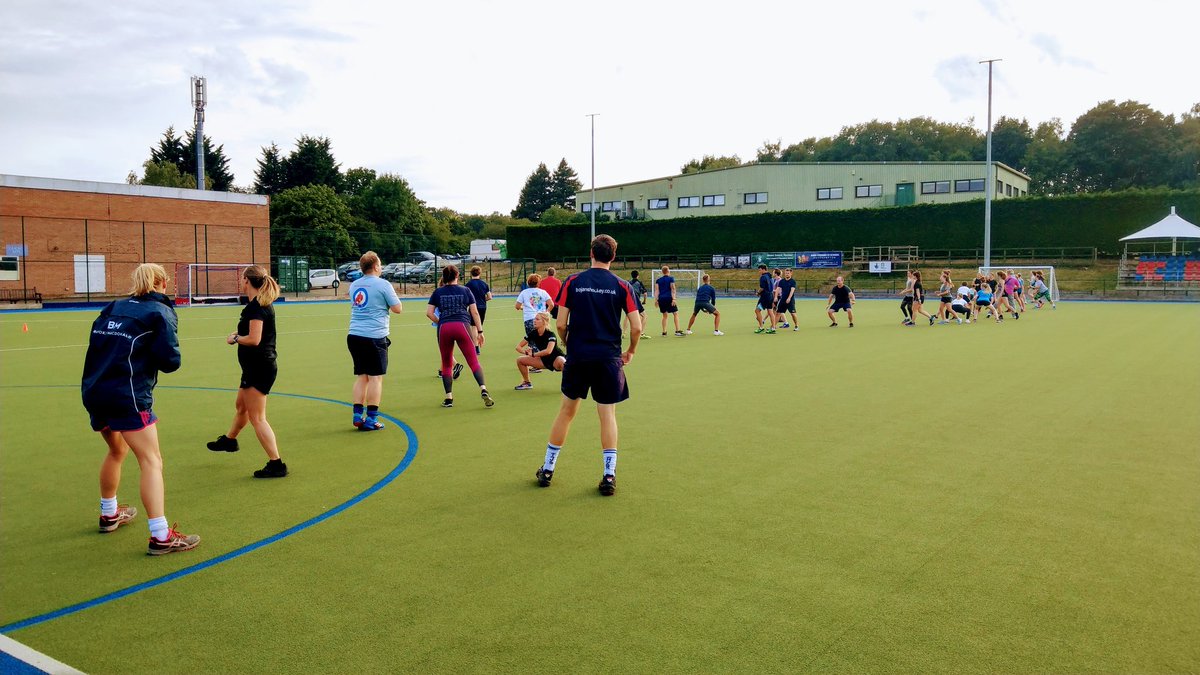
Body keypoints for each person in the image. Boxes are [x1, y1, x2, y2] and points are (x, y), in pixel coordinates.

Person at [81, 263, 199, 555]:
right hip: (127, 395)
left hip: (95, 390)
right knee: (151, 461)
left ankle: (109, 513)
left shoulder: (114, 307)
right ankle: (160, 535)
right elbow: (171, 361)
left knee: (116, 450)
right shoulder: (160, 312)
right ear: (161, 282)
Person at [534, 234, 640, 496]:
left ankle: (547, 469)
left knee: (566, 412)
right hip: (608, 358)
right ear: (613, 256)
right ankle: (608, 475)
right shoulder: (622, 286)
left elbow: (559, 323)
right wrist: (630, 352)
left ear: (590, 253)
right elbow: (636, 326)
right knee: (607, 415)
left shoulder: (573, 281)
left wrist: (567, 340)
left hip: (579, 356)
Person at [206, 266, 287, 478]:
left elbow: (254, 339)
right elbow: (251, 332)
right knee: (241, 406)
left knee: (258, 418)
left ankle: (276, 463)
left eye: (242, 278)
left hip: (260, 367)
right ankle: (230, 440)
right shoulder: (255, 305)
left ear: (246, 281)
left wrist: (235, 339)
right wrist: (239, 333)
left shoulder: (257, 307)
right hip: (254, 367)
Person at [347, 251, 403, 431]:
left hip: (354, 335)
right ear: (376, 266)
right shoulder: (383, 284)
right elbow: (397, 309)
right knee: (375, 378)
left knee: (361, 376)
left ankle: (357, 415)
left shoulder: (354, 285)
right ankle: (371, 418)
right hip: (374, 336)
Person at [427, 265, 493, 408]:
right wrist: (480, 332)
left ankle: (449, 398)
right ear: (457, 276)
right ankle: (483, 388)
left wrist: (441, 322)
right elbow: (474, 312)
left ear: (443, 277)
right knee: (473, 361)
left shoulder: (438, 292)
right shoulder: (465, 290)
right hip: (462, 326)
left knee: (446, 363)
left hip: (444, 327)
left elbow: (429, 313)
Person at [514, 311, 566, 389]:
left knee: (563, 361)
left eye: (537, 319)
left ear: (544, 322)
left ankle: (568, 386)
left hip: (555, 360)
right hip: (543, 361)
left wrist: (534, 354)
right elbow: (518, 347)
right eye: (535, 319)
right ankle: (527, 383)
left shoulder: (551, 335)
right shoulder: (533, 333)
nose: (534, 320)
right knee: (520, 360)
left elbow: (548, 351)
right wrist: (527, 352)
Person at [515, 273, 553, 339]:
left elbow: (517, 306)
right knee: (543, 340)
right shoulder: (543, 292)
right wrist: (546, 312)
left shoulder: (524, 292)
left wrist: (523, 308)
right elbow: (551, 304)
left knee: (532, 341)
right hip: (541, 319)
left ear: (528, 282)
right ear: (538, 283)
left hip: (529, 319)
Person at [464, 266, 493, 352]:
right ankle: (478, 343)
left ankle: (476, 347)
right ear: (479, 273)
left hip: (473, 308)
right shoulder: (484, 284)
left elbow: (465, 298)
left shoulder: (468, 285)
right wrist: (483, 300)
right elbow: (490, 297)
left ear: (471, 273)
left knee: (473, 327)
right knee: (479, 326)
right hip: (483, 307)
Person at [655, 265, 683, 336]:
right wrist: (674, 298)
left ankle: (664, 332)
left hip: (661, 299)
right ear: (668, 271)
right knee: (675, 313)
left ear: (662, 272)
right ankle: (677, 331)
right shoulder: (671, 279)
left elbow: (656, 290)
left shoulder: (658, 280)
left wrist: (656, 300)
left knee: (664, 315)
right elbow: (673, 288)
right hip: (669, 298)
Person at [622, 270, 650, 340]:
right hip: (636, 300)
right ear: (638, 275)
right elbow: (645, 293)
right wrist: (644, 301)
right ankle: (641, 333)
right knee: (644, 316)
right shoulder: (639, 283)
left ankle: (623, 333)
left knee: (627, 316)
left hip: (627, 300)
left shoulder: (628, 283)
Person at [754, 264, 777, 334]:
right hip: (770, 296)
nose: (759, 271)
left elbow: (762, 288)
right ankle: (773, 328)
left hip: (765, 297)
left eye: (760, 270)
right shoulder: (770, 276)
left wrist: (758, 293)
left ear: (763, 269)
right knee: (770, 312)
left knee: (757, 311)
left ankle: (761, 327)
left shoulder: (763, 277)